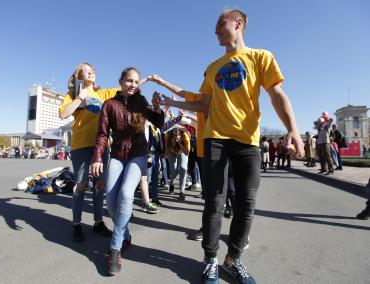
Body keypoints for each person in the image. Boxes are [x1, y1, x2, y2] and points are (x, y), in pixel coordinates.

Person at [150, 9, 303, 284]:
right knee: (214, 202)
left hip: (248, 141)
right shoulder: (212, 67)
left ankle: (233, 260)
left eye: (220, 23)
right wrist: (170, 103)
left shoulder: (261, 57)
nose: (216, 29)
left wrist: (292, 128)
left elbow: (277, 95)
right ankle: (211, 260)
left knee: (246, 203)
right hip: (215, 139)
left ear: (238, 23)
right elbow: (202, 104)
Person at [91, 67, 164, 275]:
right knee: (111, 202)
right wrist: (97, 158)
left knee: (125, 195)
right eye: (129, 81)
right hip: (117, 155)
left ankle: (115, 248)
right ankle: (125, 235)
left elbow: (159, 123)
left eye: (135, 81)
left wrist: (157, 108)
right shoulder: (109, 105)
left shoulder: (141, 103)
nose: (132, 85)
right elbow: (102, 135)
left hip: (139, 154)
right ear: (121, 81)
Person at [59, 62, 118, 242]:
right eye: (86, 70)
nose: (91, 71)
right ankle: (77, 224)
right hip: (81, 145)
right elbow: (63, 114)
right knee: (81, 184)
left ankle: (98, 221)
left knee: (100, 184)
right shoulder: (72, 94)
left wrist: (146, 79)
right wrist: (79, 98)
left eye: (92, 70)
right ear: (78, 75)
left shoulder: (102, 93)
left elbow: (126, 87)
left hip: (101, 145)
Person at [165, 127, 191, 200]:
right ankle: (171, 183)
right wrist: (167, 155)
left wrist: (180, 144)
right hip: (172, 151)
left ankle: (181, 192)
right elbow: (167, 149)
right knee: (173, 170)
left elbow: (186, 153)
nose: (176, 140)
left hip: (183, 151)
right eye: (175, 138)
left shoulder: (185, 136)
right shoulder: (168, 135)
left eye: (178, 138)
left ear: (181, 136)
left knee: (183, 169)